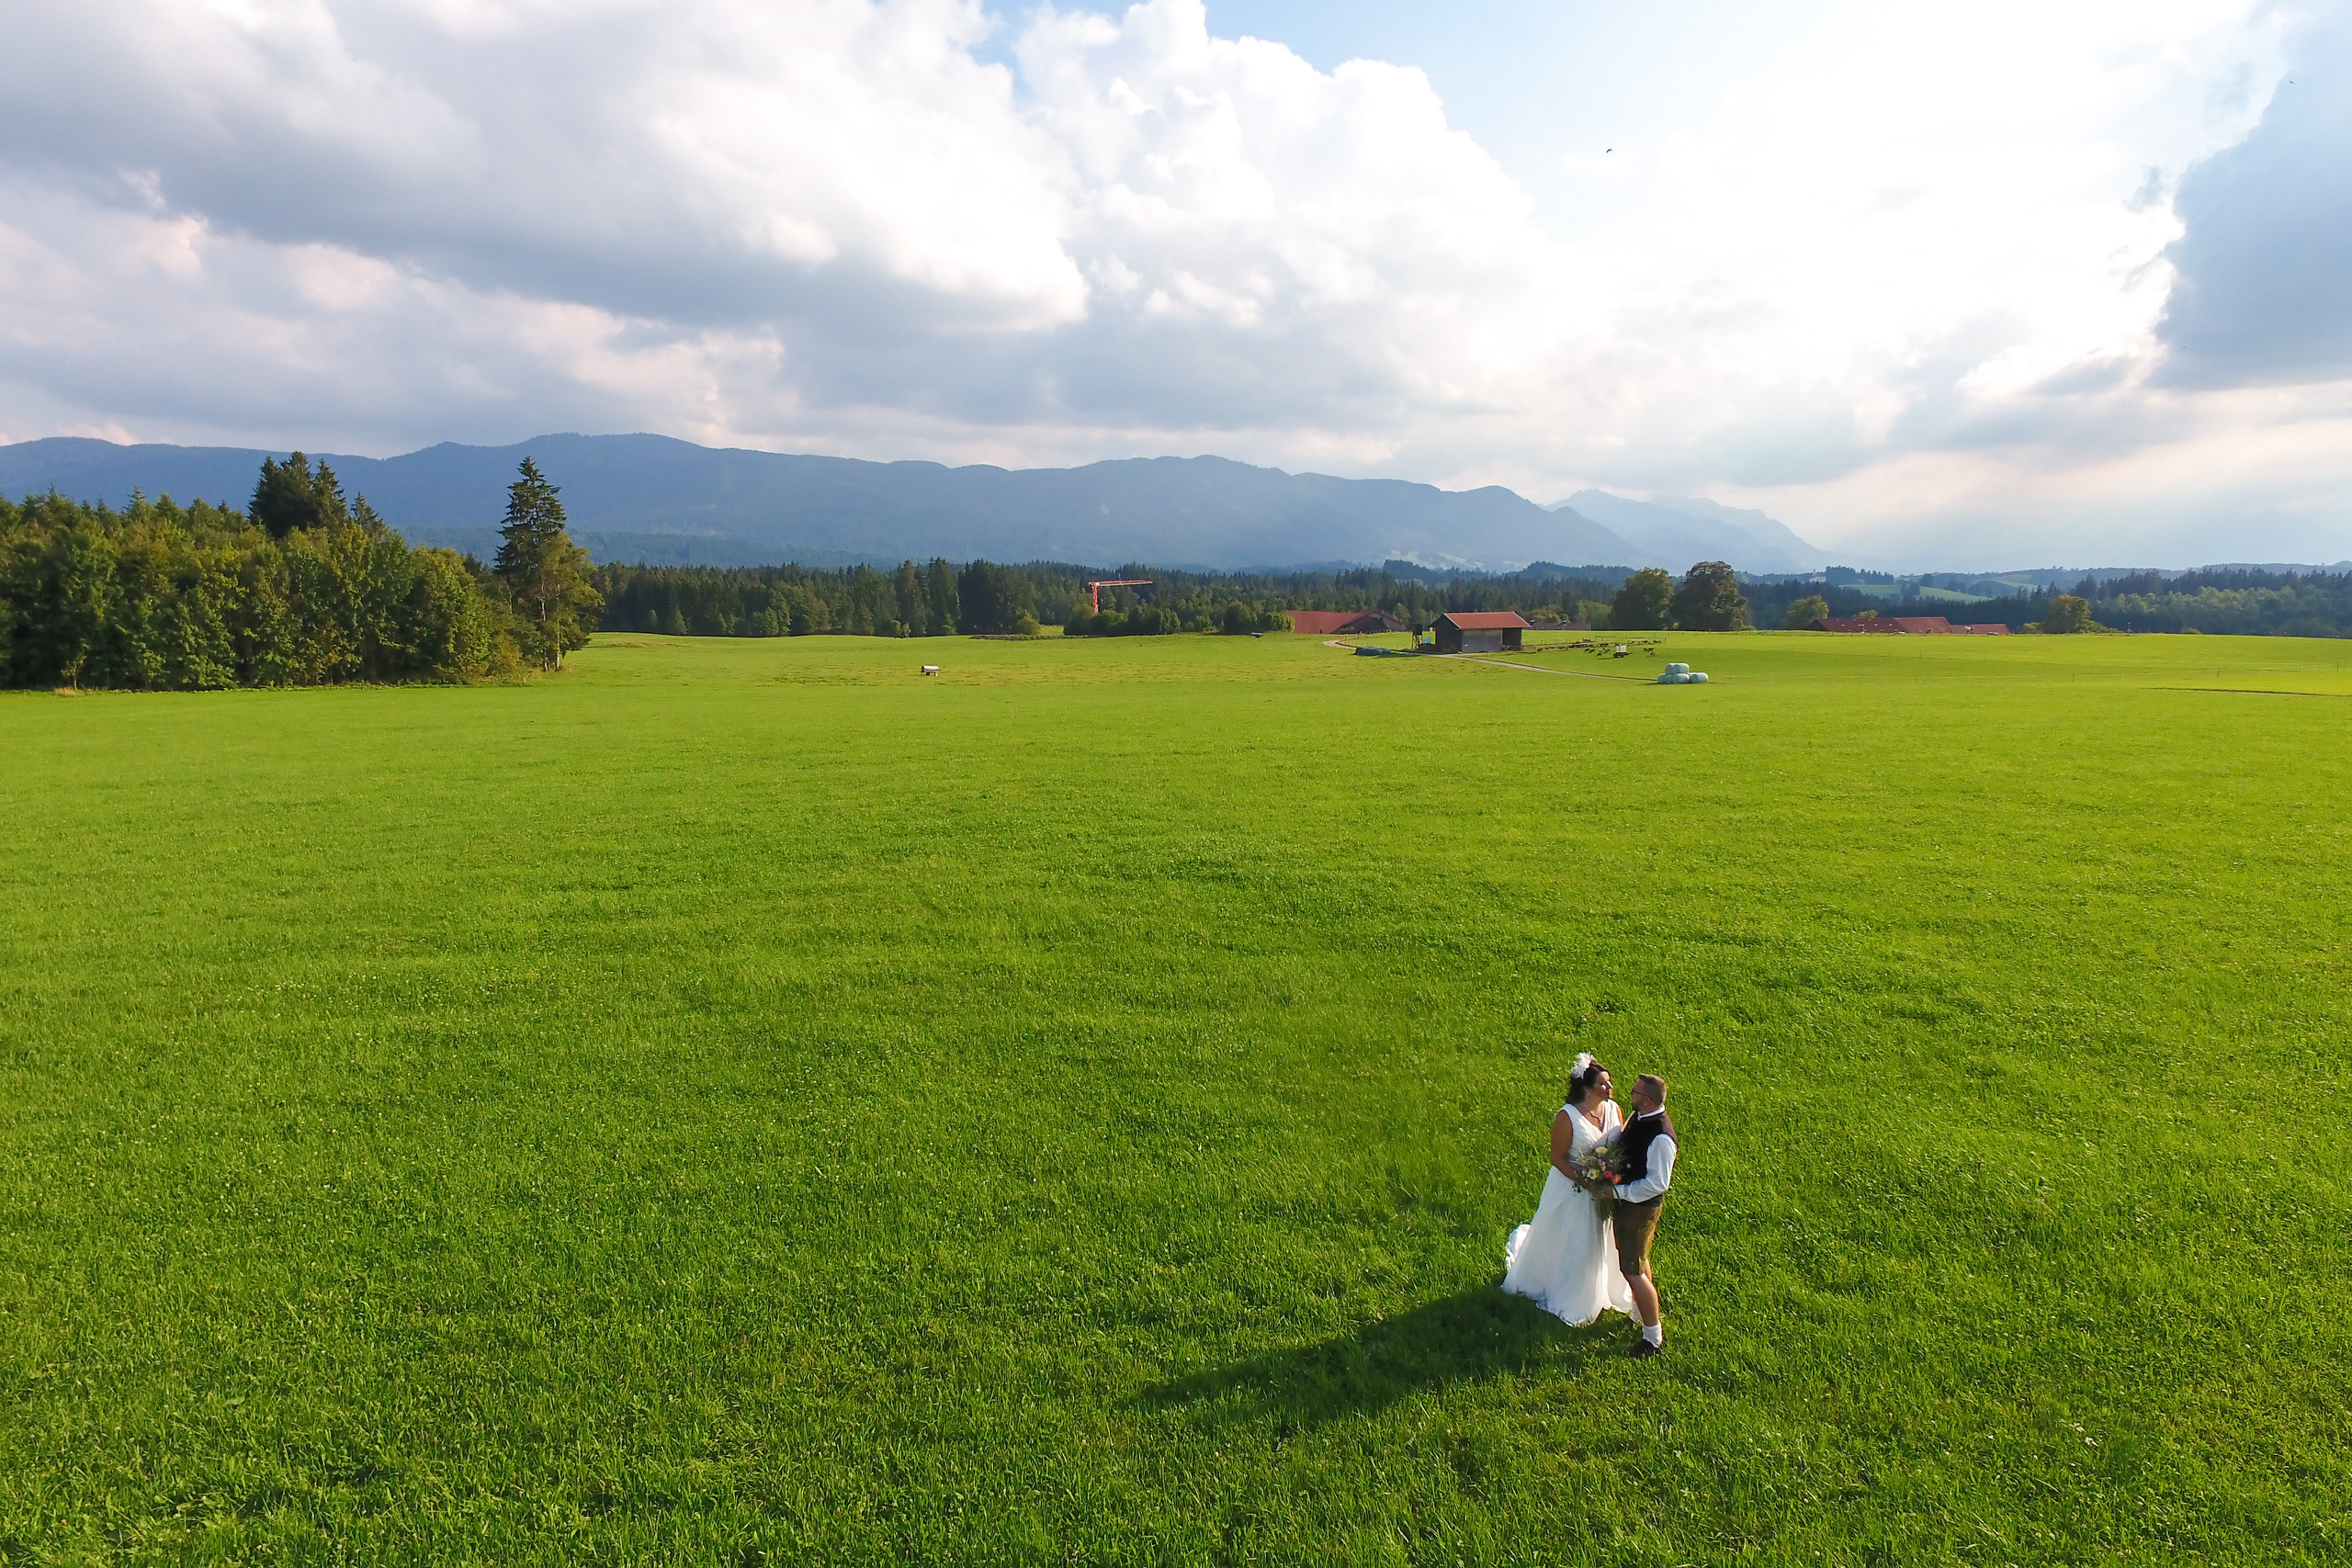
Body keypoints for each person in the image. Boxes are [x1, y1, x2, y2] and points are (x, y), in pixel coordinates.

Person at [1501, 1054, 1635, 1325]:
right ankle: (1570, 1292)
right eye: (1603, 1084)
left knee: (1603, 1240)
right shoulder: (1567, 1117)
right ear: (1587, 1088)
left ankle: (1603, 1288)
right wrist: (1586, 1181)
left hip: (1604, 1191)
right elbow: (1558, 1157)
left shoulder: (1613, 1109)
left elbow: (1619, 1144)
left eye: (1609, 1083)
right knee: (1573, 1240)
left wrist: (1610, 1176)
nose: (1609, 1088)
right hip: (1571, 1190)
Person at [1610, 1073, 1678, 1358]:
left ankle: (1653, 1337)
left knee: (1632, 1271)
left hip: (1640, 1208)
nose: (1631, 1095)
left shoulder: (1660, 1136)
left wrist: (1617, 1193)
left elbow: (1657, 1183)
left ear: (1646, 1100)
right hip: (1630, 1206)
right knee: (1638, 1260)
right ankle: (1638, 1314)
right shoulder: (1641, 1118)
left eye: (1635, 1092)